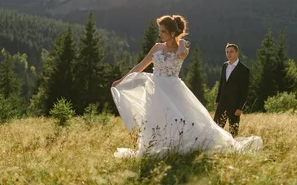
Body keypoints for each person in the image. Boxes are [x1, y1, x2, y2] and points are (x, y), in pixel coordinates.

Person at [111, 15, 262, 158]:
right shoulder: (157, 47)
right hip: (156, 91)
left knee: (178, 120)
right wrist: (122, 80)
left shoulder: (181, 49)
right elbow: (140, 65)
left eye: (163, 31)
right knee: (156, 120)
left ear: (172, 32)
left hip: (173, 90)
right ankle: (153, 148)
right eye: (160, 31)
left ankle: (178, 147)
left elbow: (182, 53)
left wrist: (181, 41)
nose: (160, 34)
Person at [214, 43, 249, 137]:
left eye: (231, 51)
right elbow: (221, 84)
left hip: (235, 105)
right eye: (227, 52)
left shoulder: (244, 69)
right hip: (222, 103)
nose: (229, 54)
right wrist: (217, 100)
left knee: (233, 130)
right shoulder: (224, 66)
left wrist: (240, 107)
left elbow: (244, 91)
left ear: (237, 53)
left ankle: (233, 150)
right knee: (216, 127)